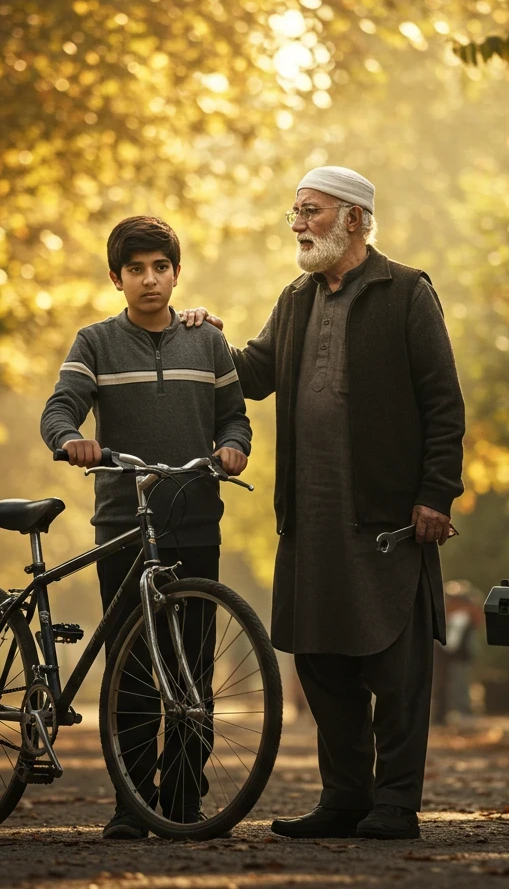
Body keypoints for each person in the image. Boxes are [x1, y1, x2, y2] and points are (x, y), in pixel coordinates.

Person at [182, 166, 465, 840]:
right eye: (295, 212)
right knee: (321, 660)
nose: (298, 223)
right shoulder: (297, 297)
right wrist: (206, 335)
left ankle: (395, 804)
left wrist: (435, 492)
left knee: (396, 667)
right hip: (311, 516)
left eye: (310, 211)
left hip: (388, 517)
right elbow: (253, 374)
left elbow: (443, 402)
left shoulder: (407, 293)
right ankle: (345, 796)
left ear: (355, 220)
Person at [40, 215, 252, 839]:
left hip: (196, 522)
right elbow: (59, 409)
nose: (149, 280)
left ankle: (183, 800)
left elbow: (234, 417)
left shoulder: (207, 343)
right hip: (122, 526)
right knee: (132, 668)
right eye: (136, 270)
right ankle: (133, 803)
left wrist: (234, 448)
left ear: (177, 274)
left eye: (161, 268)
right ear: (116, 278)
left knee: (192, 671)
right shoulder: (95, 343)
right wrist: (71, 439)